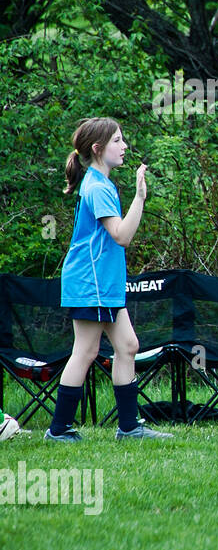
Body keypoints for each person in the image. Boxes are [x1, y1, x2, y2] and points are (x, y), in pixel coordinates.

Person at [46, 118, 171, 441]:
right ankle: (59, 429)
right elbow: (121, 236)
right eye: (117, 141)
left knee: (128, 346)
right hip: (93, 285)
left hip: (104, 285)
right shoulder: (98, 187)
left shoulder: (100, 183)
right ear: (98, 149)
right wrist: (140, 197)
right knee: (85, 352)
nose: (124, 146)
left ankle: (129, 427)